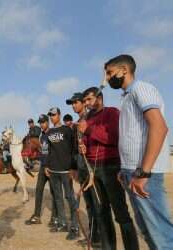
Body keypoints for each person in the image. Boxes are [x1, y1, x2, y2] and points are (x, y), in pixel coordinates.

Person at [104, 54, 173, 249]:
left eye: (110, 73)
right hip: (131, 172)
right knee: (147, 230)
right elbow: (132, 135)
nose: (107, 78)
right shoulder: (126, 96)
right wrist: (124, 169)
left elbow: (159, 127)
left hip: (144, 174)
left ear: (124, 70)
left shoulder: (141, 89)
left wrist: (144, 172)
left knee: (161, 234)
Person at [79, 87, 139, 250]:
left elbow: (114, 138)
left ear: (99, 98)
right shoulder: (87, 118)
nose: (87, 103)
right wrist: (83, 145)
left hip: (110, 166)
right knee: (101, 212)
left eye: (89, 99)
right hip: (93, 169)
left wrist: (89, 129)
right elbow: (87, 140)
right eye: (84, 101)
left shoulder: (112, 113)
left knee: (120, 213)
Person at [66, 92, 100, 247]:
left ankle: (98, 237)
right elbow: (74, 148)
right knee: (89, 204)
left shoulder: (90, 118)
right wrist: (73, 167)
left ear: (83, 103)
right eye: (72, 103)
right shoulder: (77, 122)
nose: (74, 105)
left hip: (91, 167)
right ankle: (94, 236)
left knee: (96, 203)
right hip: (81, 168)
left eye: (76, 102)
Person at [45, 107, 80, 240]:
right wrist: (47, 166)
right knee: (58, 198)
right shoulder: (50, 132)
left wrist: (74, 167)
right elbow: (49, 150)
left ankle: (75, 226)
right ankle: (62, 223)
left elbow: (74, 148)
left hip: (66, 170)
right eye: (50, 115)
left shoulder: (67, 130)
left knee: (70, 197)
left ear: (59, 115)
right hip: (53, 170)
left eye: (53, 115)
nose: (52, 117)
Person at [25, 114, 58, 227]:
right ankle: (36, 216)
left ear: (47, 122)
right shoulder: (42, 136)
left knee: (54, 192)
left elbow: (54, 151)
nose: (41, 124)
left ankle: (55, 217)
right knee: (38, 190)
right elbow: (44, 152)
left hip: (52, 168)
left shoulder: (53, 134)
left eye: (43, 122)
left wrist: (50, 165)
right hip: (43, 167)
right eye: (40, 122)